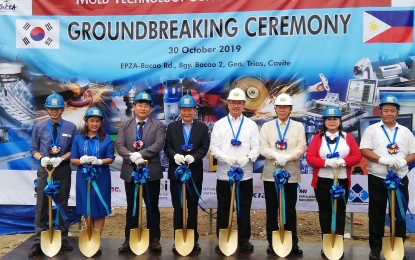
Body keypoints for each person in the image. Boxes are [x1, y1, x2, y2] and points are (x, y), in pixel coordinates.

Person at [360, 95, 415, 260]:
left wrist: (404, 161)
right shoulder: (372, 129)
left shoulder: (405, 132)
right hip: (378, 177)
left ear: (397, 112)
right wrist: (382, 159)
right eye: (386, 110)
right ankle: (375, 250)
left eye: (392, 110)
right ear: (381, 112)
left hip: (399, 178)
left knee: (399, 214)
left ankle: (397, 247)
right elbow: (364, 150)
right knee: (376, 214)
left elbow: (413, 152)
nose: (389, 113)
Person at [306, 105, 361, 257]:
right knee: (325, 212)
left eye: (335, 119)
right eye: (328, 119)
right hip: (323, 181)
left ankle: (338, 243)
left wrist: (343, 161)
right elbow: (310, 157)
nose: (331, 122)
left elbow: (357, 155)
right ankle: (326, 243)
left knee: (340, 213)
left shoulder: (348, 137)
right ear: (324, 121)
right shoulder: (317, 138)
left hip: (341, 182)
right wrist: (325, 163)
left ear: (339, 121)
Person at [210, 88, 260, 253]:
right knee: (224, 208)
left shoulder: (251, 125)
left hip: (245, 175)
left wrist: (249, 157)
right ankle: (223, 239)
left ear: (244, 105)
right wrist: (226, 158)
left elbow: (257, 147)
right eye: (233, 102)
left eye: (239, 103)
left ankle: (244, 239)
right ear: (228, 104)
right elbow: (214, 148)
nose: (236, 105)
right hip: (225, 175)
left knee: (244, 208)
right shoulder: (220, 124)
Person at [115, 91, 165, 252]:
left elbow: (158, 145)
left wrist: (141, 154)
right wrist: (132, 157)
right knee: (132, 206)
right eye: (140, 105)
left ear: (150, 108)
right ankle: (129, 238)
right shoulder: (125, 125)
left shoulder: (158, 125)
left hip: (151, 172)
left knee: (152, 206)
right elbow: (119, 145)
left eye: (146, 105)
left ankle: (154, 238)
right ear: (134, 107)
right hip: (131, 171)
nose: (143, 108)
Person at [29, 93, 77, 257]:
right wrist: (42, 159)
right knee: (42, 204)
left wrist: (62, 159)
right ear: (47, 109)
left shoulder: (71, 127)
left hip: (62, 169)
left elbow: (73, 150)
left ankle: (62, 237)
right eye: (51, 108)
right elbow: (33, 149)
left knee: (62, 203)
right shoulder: (39, 127)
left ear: (62, 108)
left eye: (57, 108)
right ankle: (38, 240)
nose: (54, 111)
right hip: (45, 170)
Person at [259, 93, 307, 256]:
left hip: (291, 174)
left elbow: (301, 147)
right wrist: (276, 155)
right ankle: (272, 243)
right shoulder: (267, 127)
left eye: (285, 107)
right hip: (270, 174)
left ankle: (292, 243)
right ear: (275, 109)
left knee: (289, 209)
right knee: (271, 209)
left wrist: (287, 157)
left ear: (290, 109)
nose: (282, 110)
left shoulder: (298, 127)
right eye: (279, 107)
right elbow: (263, 148)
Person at [164, 94, 210, 254]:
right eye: (183, 109)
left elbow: (204, 148)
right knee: (178, 208)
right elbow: (167, 147)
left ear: (194, 110)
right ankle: (178, 238)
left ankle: (193, 239)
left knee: (192, 208)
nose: (187, 113)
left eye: (189, 109)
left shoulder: (202, 128)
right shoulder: (172, 127)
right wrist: (174, 156)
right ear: (179, 110)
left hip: (194, 174)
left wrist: (194, 158)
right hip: (176, 175)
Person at [70, 107, 115, 256]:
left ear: (101, 123)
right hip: (83, 179)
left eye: (97, 121)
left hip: (101, 178)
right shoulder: (78, 138)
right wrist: (81, 160)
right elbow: (73, 159)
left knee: (99, 209)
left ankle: (96, 241)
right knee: (87, 208)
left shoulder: (106, 138)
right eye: (92, 121)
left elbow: (111, 158)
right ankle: (88, 238)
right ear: (86, 122)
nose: (94, 124)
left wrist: (99, 161)